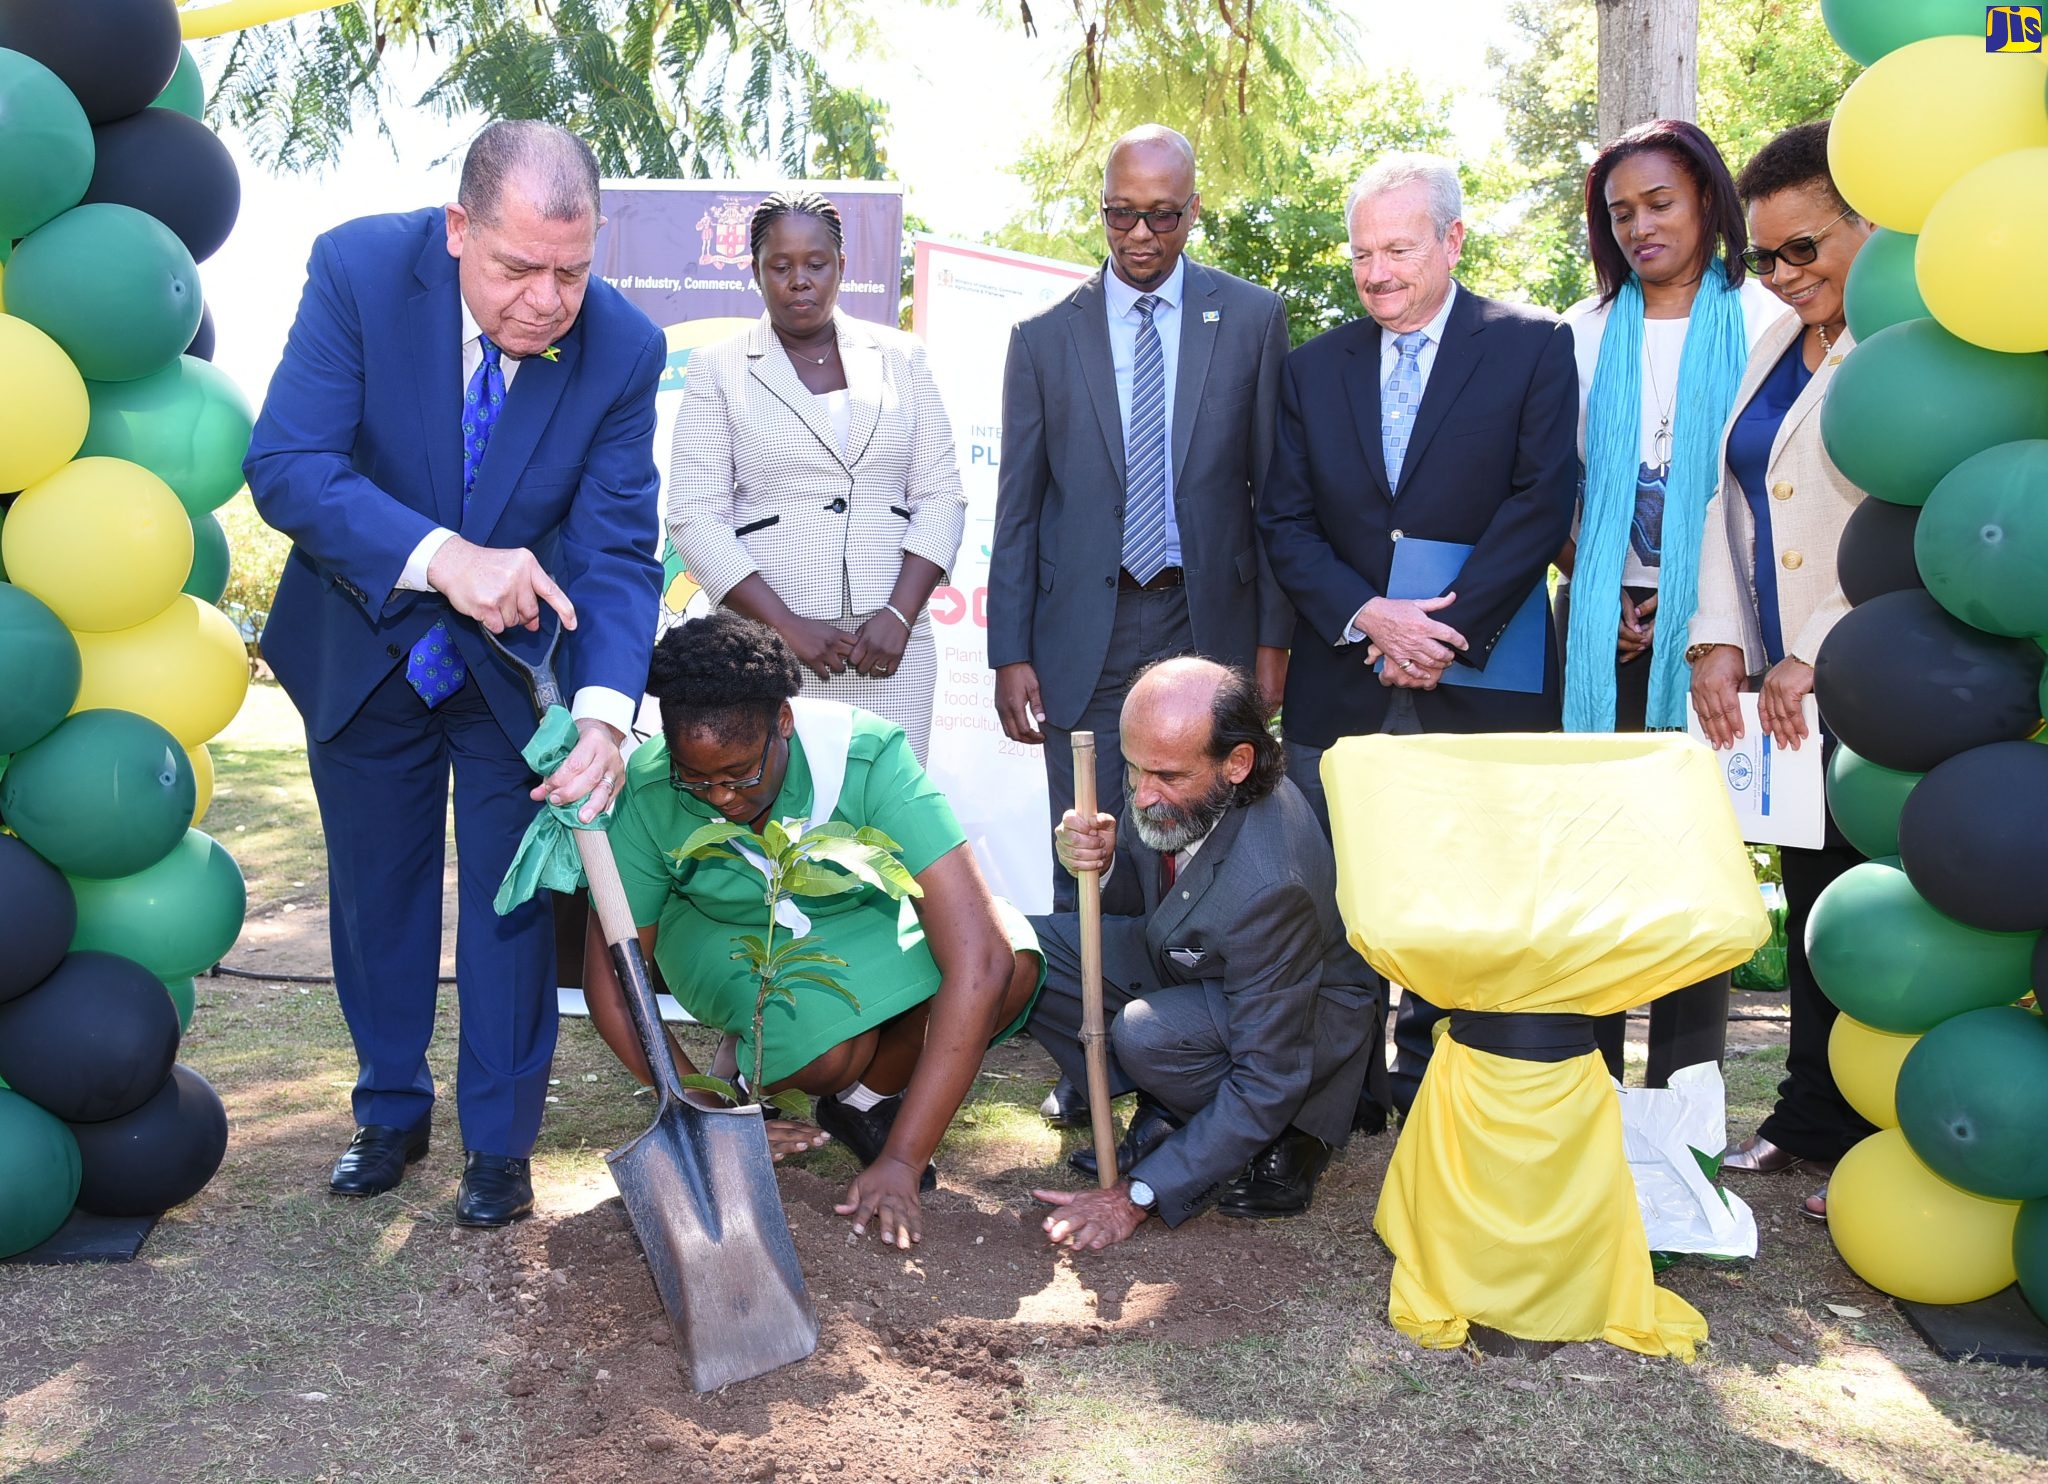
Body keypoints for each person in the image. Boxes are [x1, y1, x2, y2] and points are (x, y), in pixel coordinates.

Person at [245, 122, 665, 1227]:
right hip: (362, 643)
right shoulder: (356, 270)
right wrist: (444, 559)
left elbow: (620, 548)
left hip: (515, 679)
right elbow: (288, 467)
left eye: (571, 272)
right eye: (516, 268)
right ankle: (389, 1107)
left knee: (511, 906)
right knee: (374, 893)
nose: (545, 301)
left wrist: (607, 712)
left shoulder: (623, 348)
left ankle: (499, 1143)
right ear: (455, 231)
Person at [1256, 152, 1579, 1116]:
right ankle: (1333, 1093)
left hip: (1481, 674)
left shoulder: (1531, 344)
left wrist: (1444, 631)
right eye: (1362, 253)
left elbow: (1541, 500)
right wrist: (1373, 617)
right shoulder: (1314, 369)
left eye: (1398, 249)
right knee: (1334, 891)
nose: (1378, 272)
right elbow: (1285, 520)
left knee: (1467, 887)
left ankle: (1437, 1082)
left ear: (1453, 241)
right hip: (1344, 674)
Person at [588, 611, 1044, 1251]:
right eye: (697, 780)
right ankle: (754, 1071)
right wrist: (702, 1111)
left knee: (1013, 963)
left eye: (741, 774)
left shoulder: (865, 757)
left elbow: (982, 959)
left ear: (783, 723)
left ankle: (866, 1103)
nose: (720, 798)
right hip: (721, 927)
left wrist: (904, 1161)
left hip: (857, 913)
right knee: (823, 1052)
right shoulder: (645, 788)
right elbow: (612, 980)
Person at [987, 123, 1294, 919]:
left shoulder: (1254, 320)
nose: (1140, 235)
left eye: (1161, 215)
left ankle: (1198, 1028)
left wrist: (1272, 643)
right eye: (1120, 214)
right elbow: (1018, 510)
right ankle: (1091, 1029)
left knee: (1219, 839)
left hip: (1209, 619)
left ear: (1194, 211)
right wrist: (1009, 652)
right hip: (1084, 631)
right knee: (1089, 840)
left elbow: (1276, 499)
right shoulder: (1044, 340)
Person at [1558, 119, 1782, 1087]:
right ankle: (1592, 1083)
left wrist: (1700, 618)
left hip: (1722, 634)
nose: (1639, 226)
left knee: (1695, 859)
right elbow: (1550, 485)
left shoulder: (1770, 318)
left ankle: (1685, 1094)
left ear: (1705, 203)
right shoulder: (1580, 331)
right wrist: (1594, 579)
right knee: (1597, 860)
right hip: (1598, 628)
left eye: (1658, 203)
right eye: (1619, 213)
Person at [1687, 120, 1877, 1220]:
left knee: (1880, 917)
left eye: (1803, 249)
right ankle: (1809, 1117)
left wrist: (1811, 649)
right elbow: (1731, 500)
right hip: (1780, 693)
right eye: (1763, 257)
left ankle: (1885, 1137)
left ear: (1868, 226)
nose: (1782, 275)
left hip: (1878, 679)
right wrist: (1721, 639)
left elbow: (1911, 529)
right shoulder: (1775, 344)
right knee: (1811, 904)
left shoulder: (1908, 347)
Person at [1027, 657, 1377, 1251]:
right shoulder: (1170, 763)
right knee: (1022, 951)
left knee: (1148, 1034)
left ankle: (1283, 1135)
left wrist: (1135, 1195)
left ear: (1238, 763)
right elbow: (1154, 907)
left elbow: (1268, 1075)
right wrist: (1100, 861)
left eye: (1163, 776)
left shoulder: (1272, 882)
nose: (1140, 793)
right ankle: (1176, 1109)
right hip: (1196, 961)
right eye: (1133, 767)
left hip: (1297, 1017)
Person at [669, 191, 965, 762]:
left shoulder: (903, 357)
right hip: (771, 653)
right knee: (780, 828)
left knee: (888, 832)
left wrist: (900, 614)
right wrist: (785, 627)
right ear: (756, 272)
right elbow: (693, 515)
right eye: (780, 266)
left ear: (842, 267)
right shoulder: (718, 368)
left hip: (888, 653)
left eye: (815, 264)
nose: (798, 280)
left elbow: (941, 496)